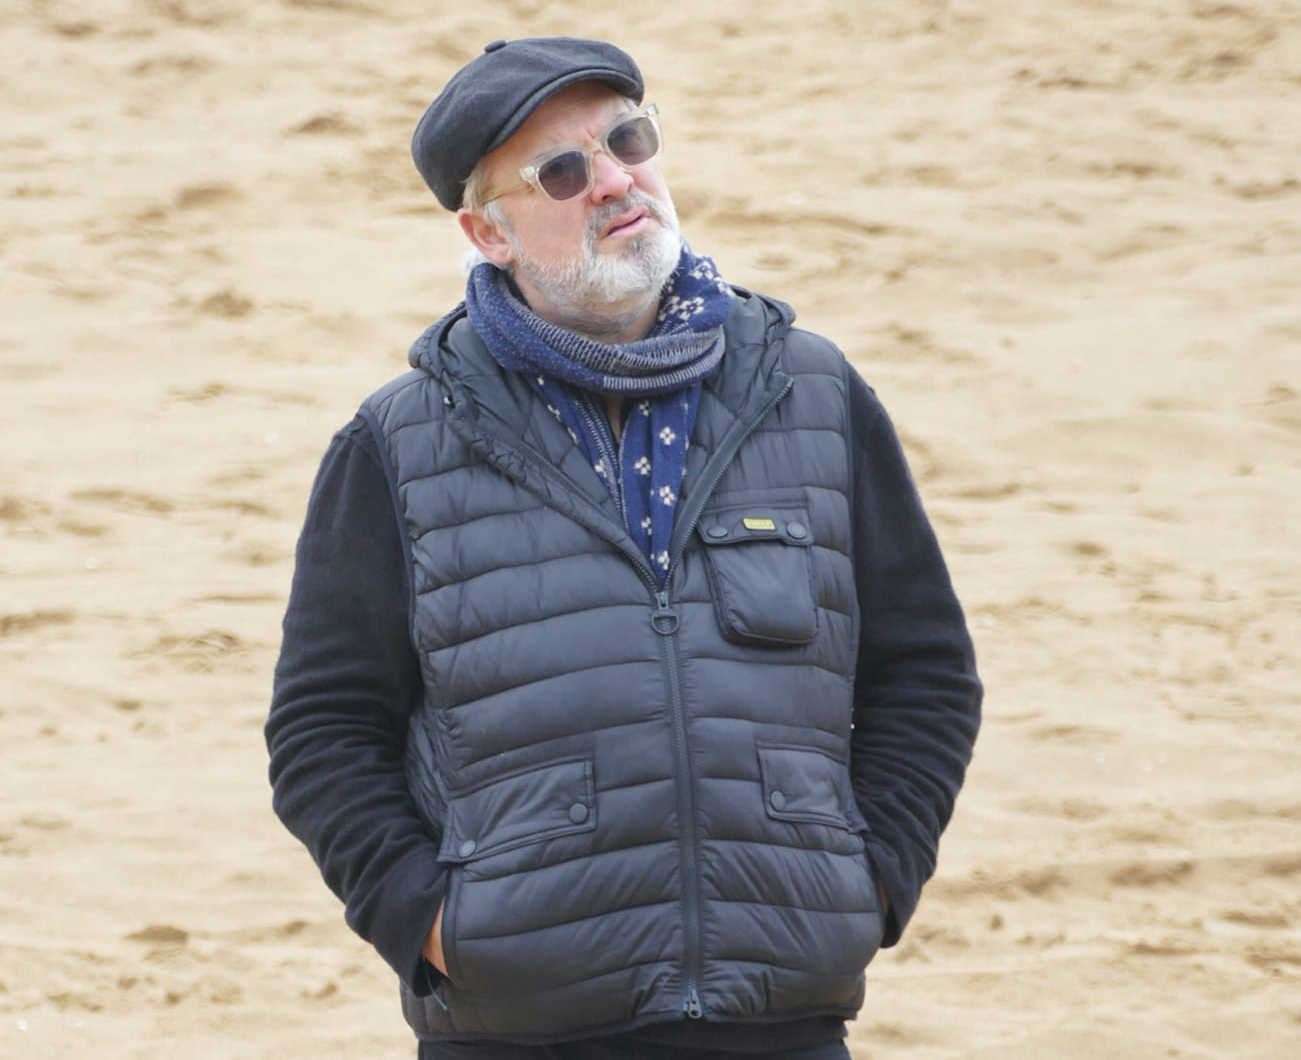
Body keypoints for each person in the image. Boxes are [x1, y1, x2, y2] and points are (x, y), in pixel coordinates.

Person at [264, 36, 983, 1060]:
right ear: (488, 231)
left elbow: (925, 674)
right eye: (561, 172)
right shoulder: (398, 441)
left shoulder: (810, 391)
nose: (612, 180)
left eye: (626, 140)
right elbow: (322, 730)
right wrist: (432, 924)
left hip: (777, 1015)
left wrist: (865, 883)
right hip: (517, 1024)